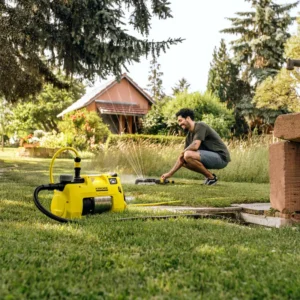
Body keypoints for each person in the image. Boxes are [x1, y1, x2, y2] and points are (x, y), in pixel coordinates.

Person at [161, 108, 231, 185]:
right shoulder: (189, 136)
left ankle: (211, 178)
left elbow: (195, 146)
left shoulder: (200, 126)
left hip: (221, 158)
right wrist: (169, 174)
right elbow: (182, 158)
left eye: (180, 120)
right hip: (210, 158)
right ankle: (210, 177)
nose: (179, 124)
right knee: (184, 161)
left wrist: (183, 153)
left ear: (188, 118)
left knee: (187, 155)